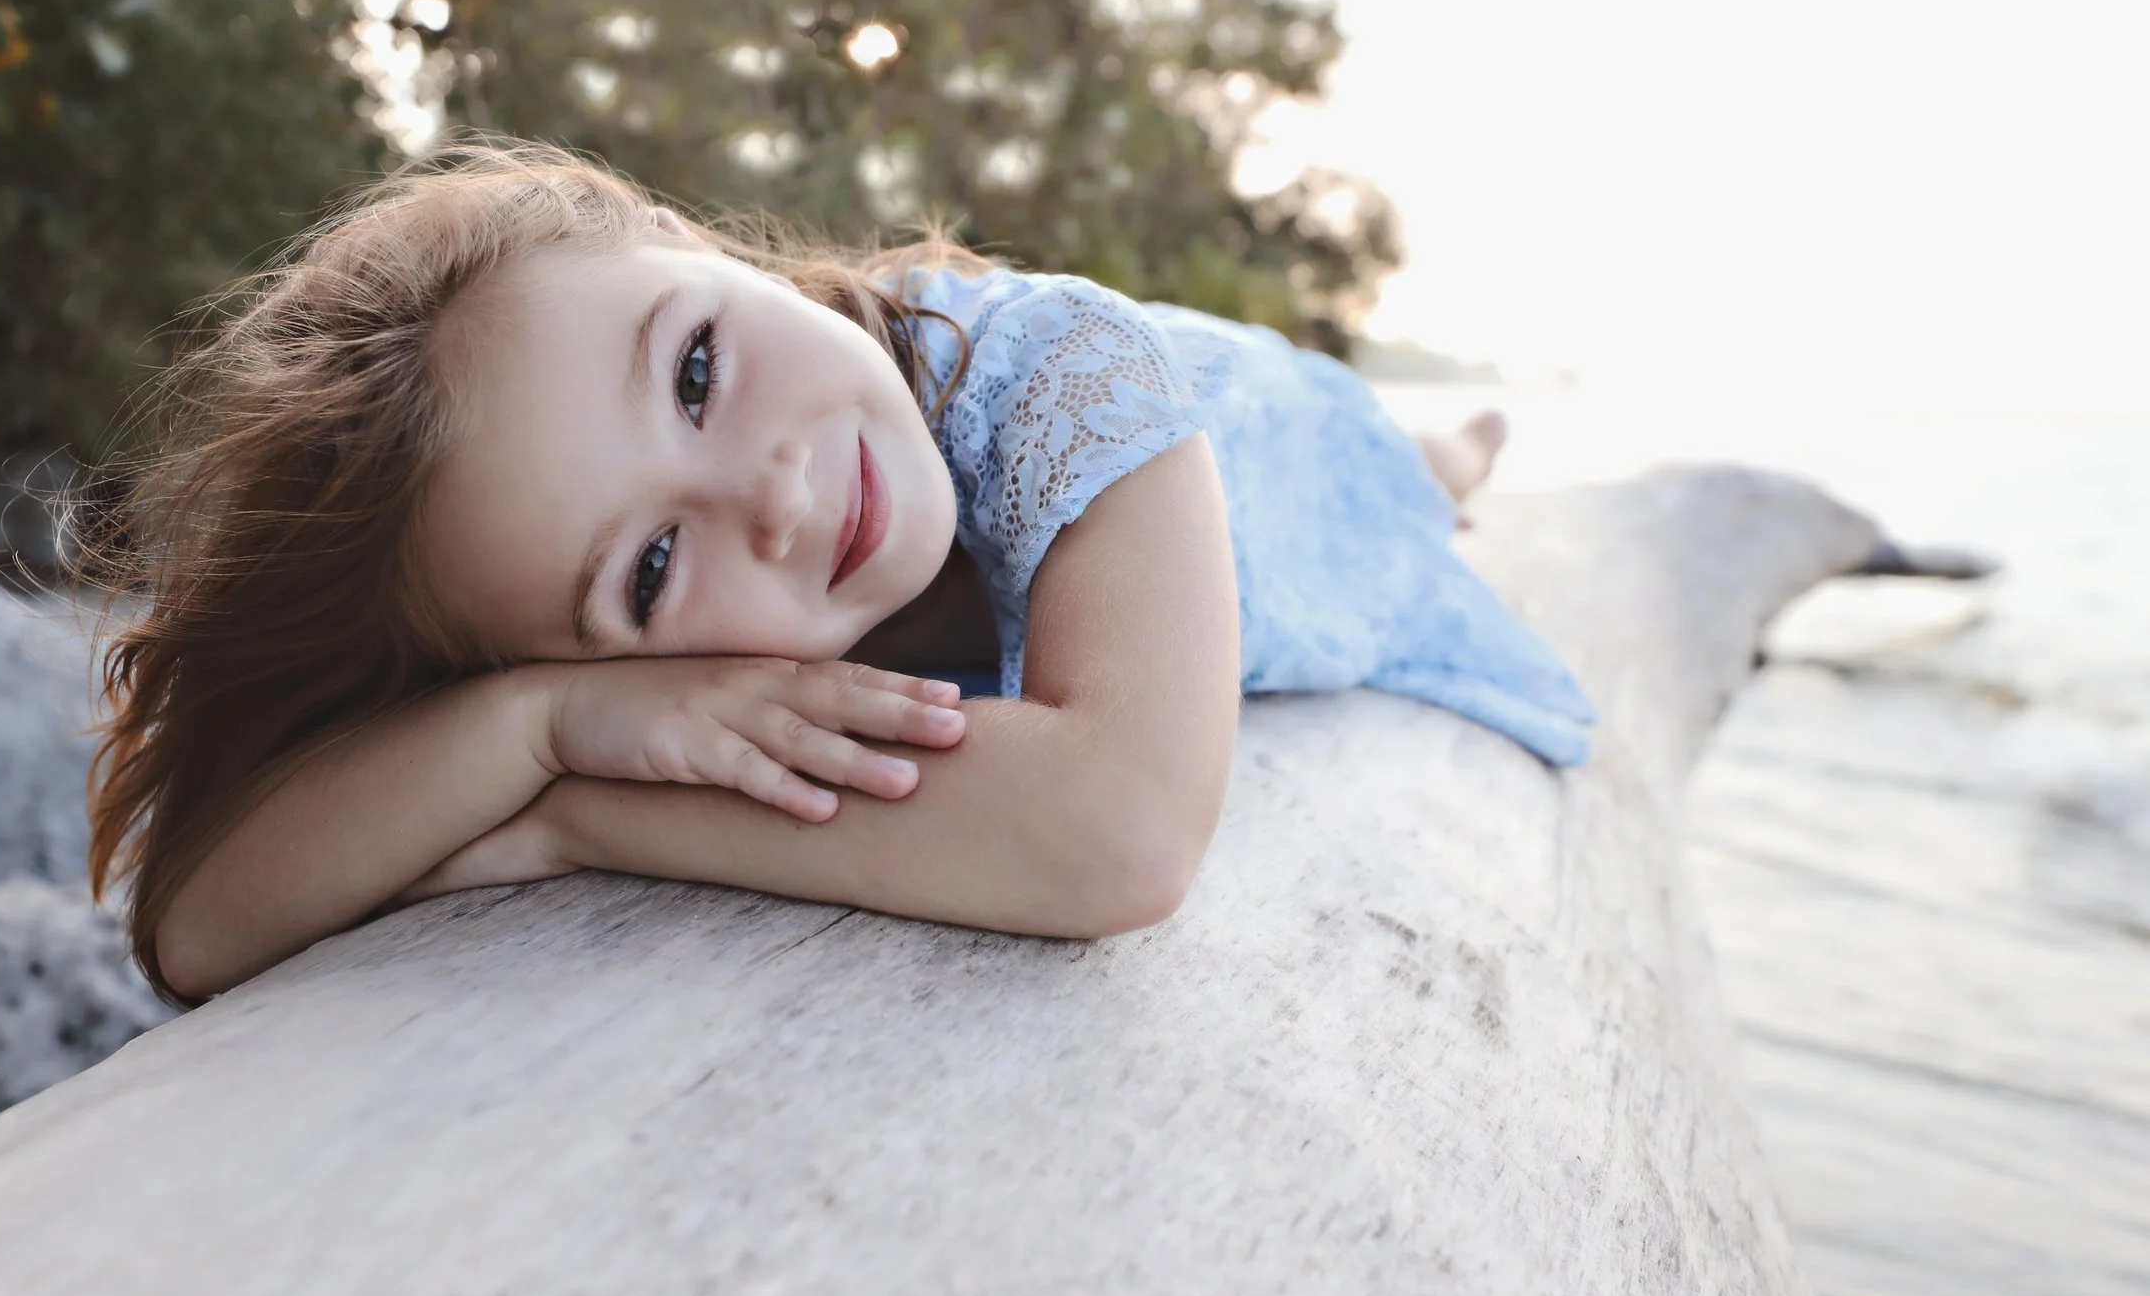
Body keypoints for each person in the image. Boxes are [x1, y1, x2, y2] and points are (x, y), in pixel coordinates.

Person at [88, 140, 1593, 1003]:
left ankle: (1460, 441)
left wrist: (568, 818)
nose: (778, 489)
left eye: (693, 368)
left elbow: (1121, 832)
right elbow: (202, 925)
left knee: (1409, 471)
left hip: (1262, 460)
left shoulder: (1059, 373)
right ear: (583, 657)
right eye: (653, 567)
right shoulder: (575, 693)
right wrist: (528, 730)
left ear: (688, 240)